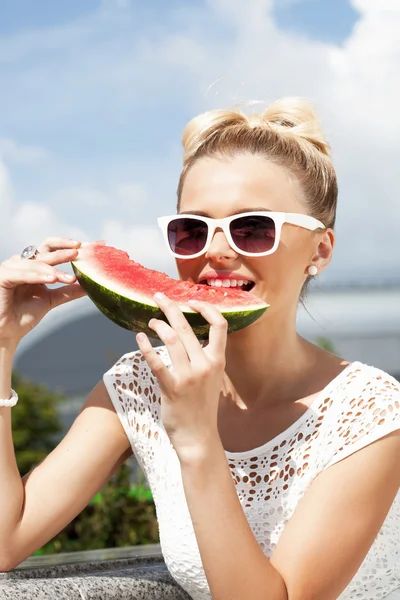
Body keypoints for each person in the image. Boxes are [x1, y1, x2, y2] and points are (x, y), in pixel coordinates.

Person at [0, 97, 399, 600]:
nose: (217, 251)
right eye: (192, 230)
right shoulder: (142, 381)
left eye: (253, 228)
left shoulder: (368, 411)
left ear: (319, 250)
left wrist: (196, 441)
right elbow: (6, 539)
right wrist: (1, 345)